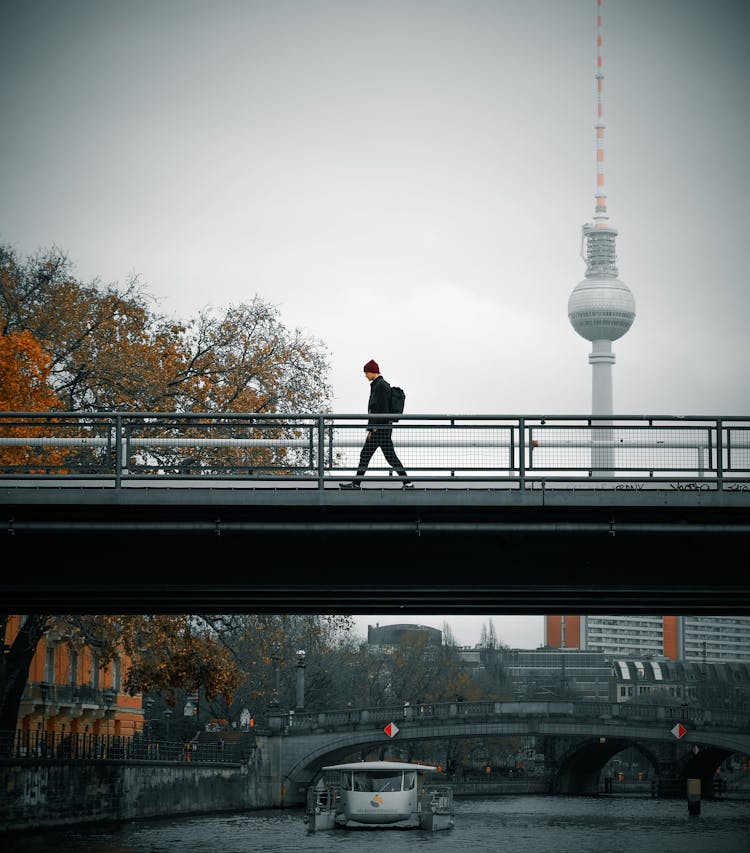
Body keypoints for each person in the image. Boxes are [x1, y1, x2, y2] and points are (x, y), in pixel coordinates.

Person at [340, 359, 413, 489]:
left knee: (367, 455)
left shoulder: (380, 386)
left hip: (380, 429)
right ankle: (407, 483)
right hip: (382, 428)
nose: (365, 375)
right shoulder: (378, 385)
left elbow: (381, 410)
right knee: (389, 457)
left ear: (373, 372)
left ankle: (356, 484)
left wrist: (373, 428)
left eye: (366, 372)